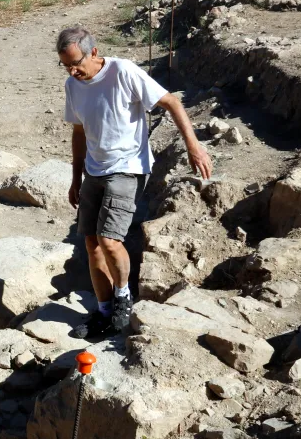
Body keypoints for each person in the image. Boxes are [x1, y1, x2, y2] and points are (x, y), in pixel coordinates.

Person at [57, 27, 212, 340]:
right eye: (65, 66)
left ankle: (123, 297)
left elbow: (171, 102)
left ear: (94, 52)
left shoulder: (123, 72)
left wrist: (194, 146)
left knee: (109, 240)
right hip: (94, 170)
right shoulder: (73, 85)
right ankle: (103, 312)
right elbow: (79, 132)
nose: (72, 71)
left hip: (128, 167)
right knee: (91, 244)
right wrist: (76, 178)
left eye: (76, 63)